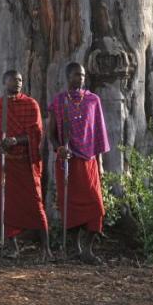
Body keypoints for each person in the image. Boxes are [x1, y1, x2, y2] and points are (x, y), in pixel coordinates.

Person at [0, 69, 50, 260]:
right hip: (5, 165)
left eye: (20, 80)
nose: (17, 83)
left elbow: (35, 136)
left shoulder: (30, 105)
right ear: (4, 82)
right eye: (13, 80)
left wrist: (16, 141)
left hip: (24, 164)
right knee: (6, 206)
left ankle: (46, 249)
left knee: (36, 204)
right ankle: (13, 247)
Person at [49, 61, 110, 264]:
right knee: (70, 207)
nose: (80, 78)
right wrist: (60, 148)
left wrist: (100, 164)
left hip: (89, 162)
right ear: (68, 77)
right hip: (67, 163)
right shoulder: (58, 102)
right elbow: (51, 135)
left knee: (96, 206)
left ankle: (88, 250)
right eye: (76, 75)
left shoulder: (93, 100)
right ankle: (75, 249)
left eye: (83, 75)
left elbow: (99, 134)